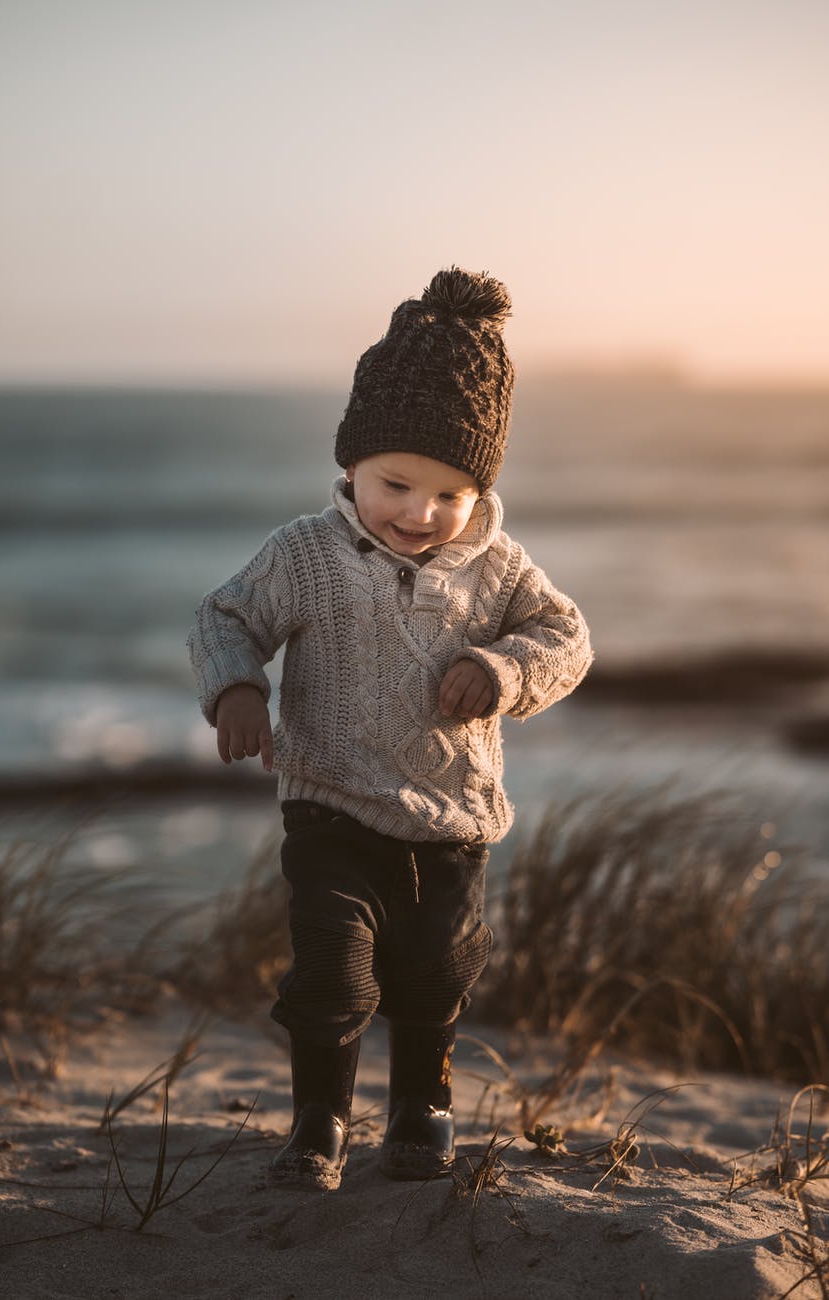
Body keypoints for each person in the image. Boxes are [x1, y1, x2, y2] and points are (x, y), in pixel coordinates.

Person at [188, 267, 592, 1192]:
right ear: (352, 468)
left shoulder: (498, 569)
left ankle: (420, 1107)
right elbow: (224, 616)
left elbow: (566, 638)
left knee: (435, 977)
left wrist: (500, 670)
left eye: (448, 494)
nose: (419, 513)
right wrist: (238, 690)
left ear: (479, 488)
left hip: (452, 823)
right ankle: (318, 1124)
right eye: (396, 484)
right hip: (330, 806)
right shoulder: (306, 553)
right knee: (331, 973)